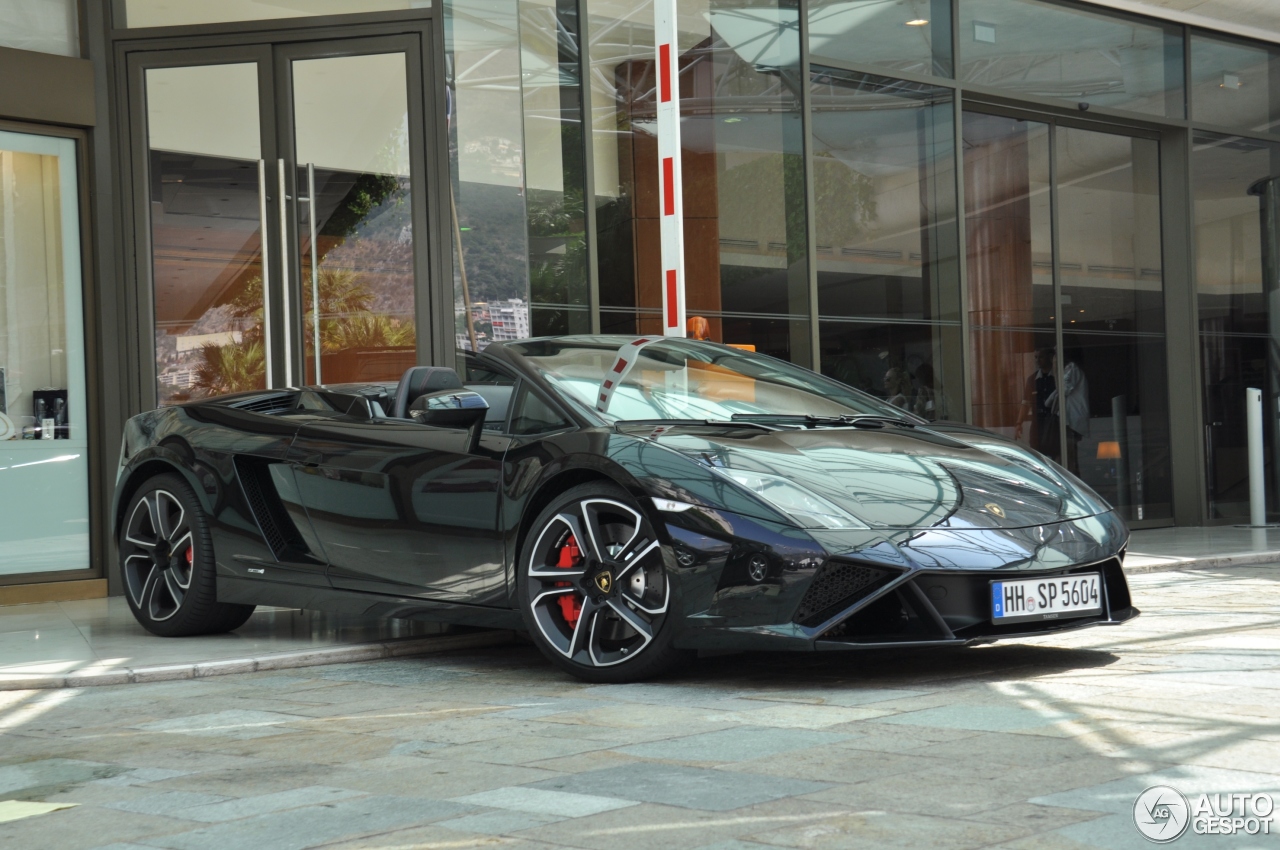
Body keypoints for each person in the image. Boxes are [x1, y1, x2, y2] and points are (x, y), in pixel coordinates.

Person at [1047, 354, 1089, 474]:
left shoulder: (1072, 369)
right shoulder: (1068, 371)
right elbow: (1050, 401)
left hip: (1071, 420)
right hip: (1069, 420)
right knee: (1066, 455)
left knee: (1068, 456)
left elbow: (1062, 390)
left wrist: (1055, 371)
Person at [1015, 348, 1058, 457]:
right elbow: (1025, 403)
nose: (1037, 360)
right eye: (1036, 357)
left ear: (1049, 357)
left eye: (1041, 357)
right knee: (1037, 454)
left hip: (1055, 422)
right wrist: (1019, 423)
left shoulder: (1057, 377)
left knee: (1056, 453)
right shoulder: (1032, 379)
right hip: (1037, 423)